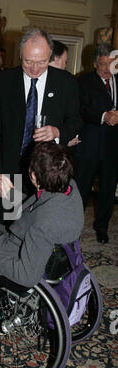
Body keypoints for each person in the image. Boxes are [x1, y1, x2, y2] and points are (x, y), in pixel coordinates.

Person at [0, 142, 84, 293]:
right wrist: (11, 195)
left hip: (20, 251)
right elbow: (39, 207)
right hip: (40, 245)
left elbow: (27, 276)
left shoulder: (44, 223)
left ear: (34, 175)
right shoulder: (69, 186)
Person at [0, 28, 82, 222]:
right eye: (28, 61)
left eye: (42, 62)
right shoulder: (2, 82)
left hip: (48, 173)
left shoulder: (66, 83)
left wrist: (57, 131)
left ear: (50, 56)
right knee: (4, 228)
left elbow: (76, 121)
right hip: (8, 171)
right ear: (20, 55)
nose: (35, 69)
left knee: (40, 229)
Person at [74, 44, 118, 244]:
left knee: (108, 190)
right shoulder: (83, 82)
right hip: (89, 145)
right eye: (103, 65)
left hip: (113, 147)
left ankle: (102, 228)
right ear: (94, 63)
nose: (107, 69)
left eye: (111, 64)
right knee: (81, 188)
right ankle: (74, 228)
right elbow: (80, 110)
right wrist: (103, 116)